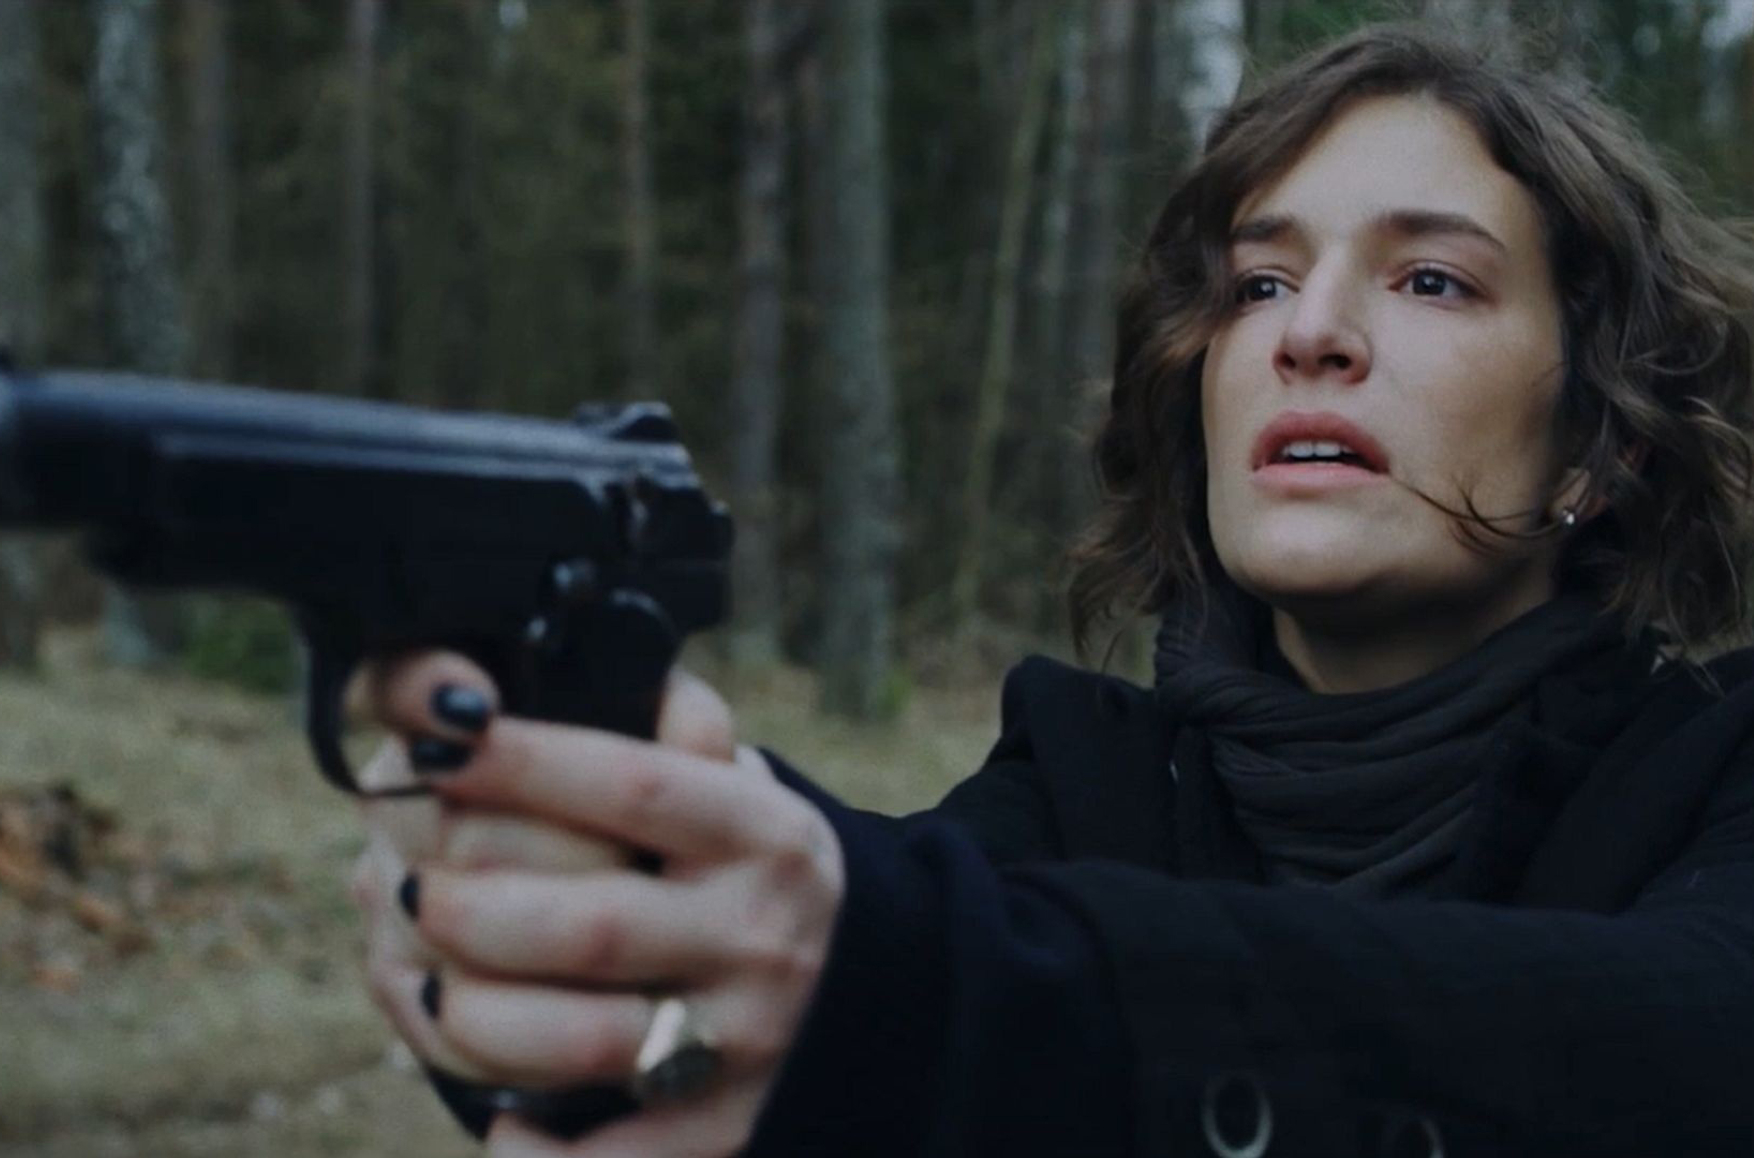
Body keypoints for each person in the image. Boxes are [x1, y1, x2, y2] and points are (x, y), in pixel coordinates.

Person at [349, 22, 1754, 1158]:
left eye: (1432, 279)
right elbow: (859, 935)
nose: (1310, 333)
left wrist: (926, 986)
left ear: (1603, 442)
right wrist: (589, 916)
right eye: (1257, 284)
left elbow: (1683, 1044)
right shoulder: (1084, 784)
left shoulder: (1715, 767)